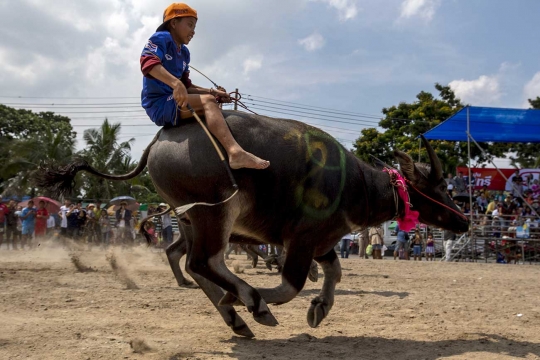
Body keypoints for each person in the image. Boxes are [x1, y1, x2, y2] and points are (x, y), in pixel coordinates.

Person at [140, 3, 270, 171]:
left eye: (195, 26)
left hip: (176, 99)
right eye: (189, 25)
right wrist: (175, 83)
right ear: (173, 23)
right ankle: (235, 153)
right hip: (160, 103)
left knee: (210, 100)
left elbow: (187, 86)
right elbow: (147, 63)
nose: (193, 31)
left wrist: (212, 91)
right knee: (208, 102)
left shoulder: (185, 53)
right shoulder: (161, 38)